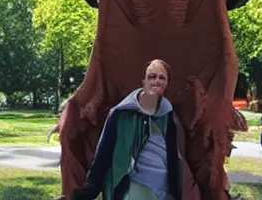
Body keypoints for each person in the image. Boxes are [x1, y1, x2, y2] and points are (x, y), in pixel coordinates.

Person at [72, 59, 182, 199]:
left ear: (166, 84)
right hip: (130, 187)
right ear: (143, 81)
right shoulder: (120, 114)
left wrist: (176, 194)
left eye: (162, 78)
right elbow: (103, 155)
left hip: (161, 190)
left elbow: (173, 158)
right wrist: (87, 193)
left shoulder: (168, 117)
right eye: (152, 76)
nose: (156, 81)